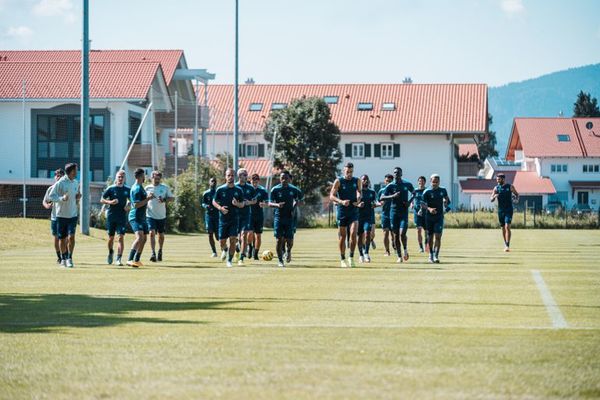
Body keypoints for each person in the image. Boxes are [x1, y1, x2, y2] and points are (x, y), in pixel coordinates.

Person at [48, 163, 81, 268]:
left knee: (71, 237)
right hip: (61, 216)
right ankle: (63, 258)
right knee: (62, 239)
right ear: (71, 171)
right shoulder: (61, 182)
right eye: (76, 170)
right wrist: (62, 198)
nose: (77, 172)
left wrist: (77, 197)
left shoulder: (76, 182)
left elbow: (75, 195)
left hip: (73, 215)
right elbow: (51, 196)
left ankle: (70, 258)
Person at [329, 162, 362, 268]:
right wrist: (341, 201)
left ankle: (351, 257)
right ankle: (342, 259)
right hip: (342, 211)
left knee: (353, 233)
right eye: (347, 172)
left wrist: (358, 199)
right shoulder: (338, 181)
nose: (349, 174)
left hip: (353, 211)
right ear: (344, 171)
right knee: (343, 236)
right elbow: (331, 196)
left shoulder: (357, 180)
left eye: (351, 172)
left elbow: (359, 192)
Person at [269, 170, 303, 267]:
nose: (284, 180)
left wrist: (294, 207)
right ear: (280, 179)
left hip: (289, 218)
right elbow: (269, 203)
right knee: (279, 240)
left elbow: (300, 200)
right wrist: (277, 205)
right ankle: (280, 260)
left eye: (286, 178)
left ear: (289, 179)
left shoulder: (294, 190)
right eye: (282, 178)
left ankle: (288, 251)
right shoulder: (275, 190)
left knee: (289, 240)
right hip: (278, 217)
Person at [380, 167, 414, 263]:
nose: (396, 174)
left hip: (403, 213)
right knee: (395, 235)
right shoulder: (390, 186)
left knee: (402, 233)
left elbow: (414, 193)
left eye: (398, 172)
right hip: (393, 213)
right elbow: (382, 197)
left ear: (401, 174)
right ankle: (399, 256)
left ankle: (405, 250)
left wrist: (409, 202)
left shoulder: (406, 184)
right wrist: (392, 196)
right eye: (395, 172)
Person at [212, 168, 245, 267]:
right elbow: (214, 201)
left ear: (234, 177)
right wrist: (220, 208)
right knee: (222, 242)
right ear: (225, 177)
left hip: (234, 219)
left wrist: (237, 203)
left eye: (232, 175)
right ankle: (225, 250)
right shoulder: (220, 189)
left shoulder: (238, 190)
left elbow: (243, 204)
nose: (230, 177)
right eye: (228, 175)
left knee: (233, 239)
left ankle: (229, 260)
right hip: (223, 220)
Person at [100, 170, 131, 266]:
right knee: (111, 238)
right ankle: (110, 252)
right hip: (111, 216)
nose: (120, 178)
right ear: (116, 178)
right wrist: (110, 202)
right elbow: (101, 199)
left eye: (122, 177)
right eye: (119, 177)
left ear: (124, 178)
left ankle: (118, 259)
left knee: (121, 237)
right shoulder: (111, 188)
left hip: (121, 217)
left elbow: (131, 201)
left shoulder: (127, 189)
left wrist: (128, 205)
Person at [421, 174, 451, 263]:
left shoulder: (443, 190)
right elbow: (422, 204)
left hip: (439, 217)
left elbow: (447, 201)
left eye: (437, 182)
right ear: (430, 181)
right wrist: (429, 209)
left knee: (438, 236)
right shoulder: (426, 192)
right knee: (430, 237)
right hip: (429, 217)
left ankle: (436, 256)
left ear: (439, 182)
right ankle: (430, 254)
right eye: (433, 182)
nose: (435, 183)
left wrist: (446, 202)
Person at [127, 168, 154, 268]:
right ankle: (130, 259)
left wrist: (148, 196)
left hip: (142, 217)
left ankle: (137, 260)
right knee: (139, 237)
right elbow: (137, 205)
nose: (145, 177)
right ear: (140, 177)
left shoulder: (140, 187)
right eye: (144, 176)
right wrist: (148, 198)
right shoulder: (137, 188)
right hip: (135, 217)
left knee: (144, 238)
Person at [145, 170, 174, 262]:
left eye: (158, 179)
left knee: (161, 235)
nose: (157, 180)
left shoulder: (164, 187)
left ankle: (160, 250)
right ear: (151, 178)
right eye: (155, 178)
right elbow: (142, 199)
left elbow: (172, 198)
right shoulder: (147, 188)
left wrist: (164, 199)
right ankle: (153, 253)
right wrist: (148, 197)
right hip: (150, 215)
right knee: (151, 233)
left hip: (161, 215)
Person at [490, 172, 519, 252]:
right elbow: (491, 199)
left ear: (503, 179)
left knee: (507, 227)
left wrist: (516, 200)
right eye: (497, 179)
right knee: (503, 228)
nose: (497, 181)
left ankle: (507, 245)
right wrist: (494, 196)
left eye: (499, 179)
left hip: (509, 209)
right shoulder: (496, 188)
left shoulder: (510, 187)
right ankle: (505, 243)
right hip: (500, 210)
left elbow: (517, 194)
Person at [42, 168, 65, 264]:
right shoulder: (50, 189)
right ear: (55, 177)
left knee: (65, 238)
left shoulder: (66, 188)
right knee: (56, 238)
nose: (58, 177)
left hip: (65, 216)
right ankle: (59, 256)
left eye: (60, 175)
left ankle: (66, 256)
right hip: (55, 217)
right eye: (57, 175)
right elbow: (44, 201)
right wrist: (47, 205)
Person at [235, 168, 256, 265]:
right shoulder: (234, 187)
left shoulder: (250, 188)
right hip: (235, 215)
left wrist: (249, 202)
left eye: (246, 174)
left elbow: (255, 200)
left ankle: (241, 258)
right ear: (239, 176)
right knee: (236, 237)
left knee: (244, 235)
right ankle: (237, 247)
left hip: (246, 215)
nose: (246, 176)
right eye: (244, 174)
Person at [357, 175, 378, 263]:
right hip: (358, 217)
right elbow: (353, 203)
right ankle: (361, 254)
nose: (365, 181)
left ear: (368, 181)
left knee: (367, 234)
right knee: (360, 237)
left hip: (368, 217)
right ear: (360, 181)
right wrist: (358, 205)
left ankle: (366, 253)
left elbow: (375, 202)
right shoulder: (358, 192)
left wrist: (375, 204)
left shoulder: (372, 192)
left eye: (366, 179)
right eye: (363, 179)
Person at [248, 173, 269, 260]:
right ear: (251, 180)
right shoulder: (248, 190)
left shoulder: (263, 190)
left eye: (256, 179)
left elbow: (267, 203)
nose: (254, 181)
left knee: (258, 236)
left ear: (259, 180)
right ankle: (250, 247)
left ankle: (256, 253)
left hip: (259, 216)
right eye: (253, 179)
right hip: (249, 215)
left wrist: (263, 204)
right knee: (250, 234)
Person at [201, 177, 220, 257]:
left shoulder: (218, 192)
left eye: (215, 181)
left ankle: (224, 248)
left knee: (217, 236)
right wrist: (206, 206)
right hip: (209, 216)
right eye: (212, 181)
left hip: (217, 216)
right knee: (210, 233)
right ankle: (214, 252)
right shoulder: (206, 193)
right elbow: (202, 203)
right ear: (209, 182)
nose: (213, 182)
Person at [377, 174, 394, 256]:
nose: (388, 182)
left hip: (394, 215)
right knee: (385, 233)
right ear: (384, 181)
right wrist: (380, 203)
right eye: (387, 181)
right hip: (385, 215)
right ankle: (387, 251)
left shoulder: (395, 190)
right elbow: (377, 201)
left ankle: (394, 243)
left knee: (394, 234)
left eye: (390, 181)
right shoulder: (381, 191)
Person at [411, 176, 428, 253]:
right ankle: (421, 247)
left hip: (426, 213)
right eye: (419, 181)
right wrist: (411, 204)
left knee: (426, 231)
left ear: (425, 182)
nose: (421, 182)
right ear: (418, 182)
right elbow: (412, 199)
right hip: (416, 213)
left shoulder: (427, 191)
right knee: (418, 230)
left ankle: (426, 245)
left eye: (422, 181)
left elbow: (428, 202)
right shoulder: (415, 190)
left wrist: (422, 209)